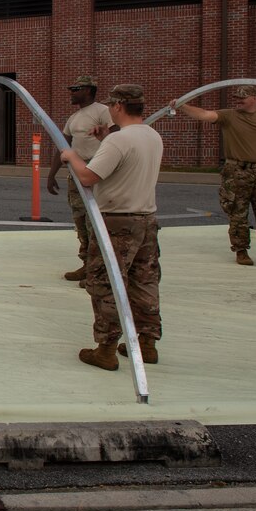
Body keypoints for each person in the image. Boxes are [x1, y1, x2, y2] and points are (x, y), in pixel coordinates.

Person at [60, 84, 163, 370]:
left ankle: (105, 349)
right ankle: (147, 344)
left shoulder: (119, 141)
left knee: (106, 283)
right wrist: (106, 137)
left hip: (118, 222)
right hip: (146, 219)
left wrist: (72, 157)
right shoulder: (151, 135)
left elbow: (89, 177)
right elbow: (126, 164)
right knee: (145, 281)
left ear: (118, 106)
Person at [172, 85, 256, 269]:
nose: (238, 100)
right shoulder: (229, 116)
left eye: (243, 97)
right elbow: (204, 114)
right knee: (238, 213)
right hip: (237, 172)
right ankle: (241, 251)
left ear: (255, 98)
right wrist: (182, 105)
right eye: (237, 97)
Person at [46, 76, 114, 283]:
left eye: (76, 88)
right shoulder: (74, 118)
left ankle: (100, 270)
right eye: (71, 88)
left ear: (89, 90)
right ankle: (87, 264)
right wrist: (51, 174)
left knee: (96, 221)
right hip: (76, 173)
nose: (72, 92)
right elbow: (63, 147)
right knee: (81, 220)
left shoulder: (102, 111)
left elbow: (116, 136)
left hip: (96, 173)